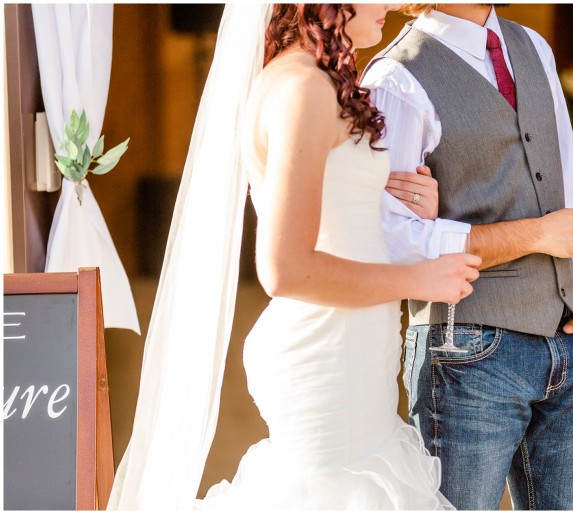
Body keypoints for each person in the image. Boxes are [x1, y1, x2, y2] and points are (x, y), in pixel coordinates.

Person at [108, 4, 481, 510]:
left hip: (351, 355)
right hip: (327, 356)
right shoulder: (302, 90)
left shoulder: (309, 81)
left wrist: (406, 206)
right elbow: (285, 269)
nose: (394, 4)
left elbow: (338, 221)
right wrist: (416, 278)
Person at [361, 4, 573, 510]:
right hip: (466, 352)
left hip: (570, 341)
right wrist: (538, 234)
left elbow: (567, 173)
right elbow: (391, 239)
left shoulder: (533, 47)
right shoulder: (396, 79)